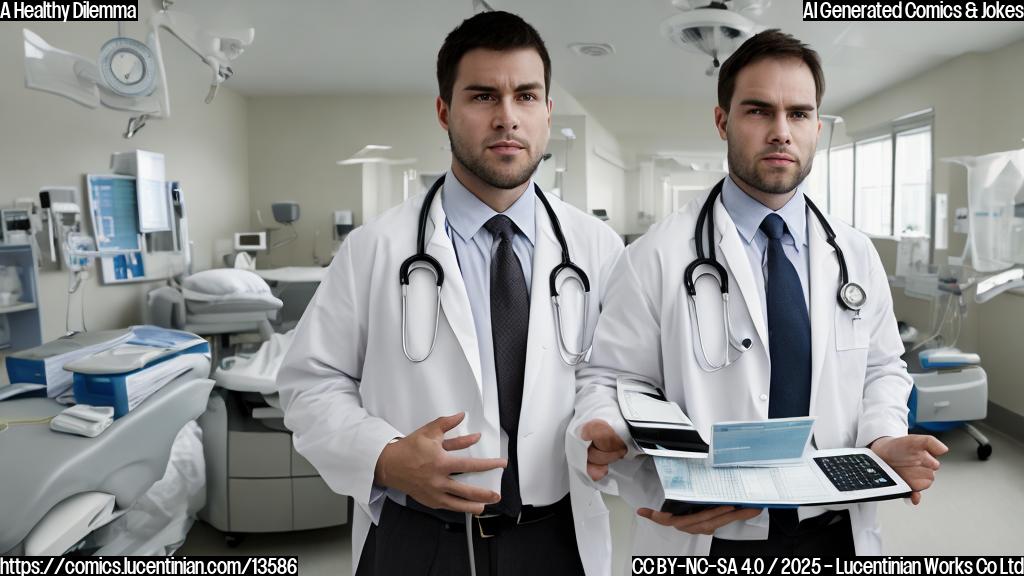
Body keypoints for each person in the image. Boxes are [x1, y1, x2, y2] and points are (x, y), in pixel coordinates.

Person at [567, 29, 948, 557]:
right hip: (713, 534)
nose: (780, 132)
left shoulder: (854, 253)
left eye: (798, 114)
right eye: (758, 111)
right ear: (722, 120)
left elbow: (883, 369)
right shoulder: (655, 255)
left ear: (817, 126)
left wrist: (881, 441)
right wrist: (613, 433)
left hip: (835, 528)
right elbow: (614, 378)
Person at [277, 11, 623, 576]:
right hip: (418, 540)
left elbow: (612, 375)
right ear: (445, 111)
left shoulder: (597, 247)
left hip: (558, 537)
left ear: (548, 111)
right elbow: (309, 385)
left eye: (527, 96)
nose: (507, 118)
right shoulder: (376, 248)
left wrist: (606, 424)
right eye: (483, 96)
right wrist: (384, 459)